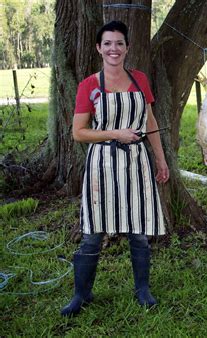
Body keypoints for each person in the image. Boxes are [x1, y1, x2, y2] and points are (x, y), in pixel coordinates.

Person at [61, 20, 169, 317]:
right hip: (103, 166)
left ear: (127, 48)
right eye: (107, 43)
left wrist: (160, 159)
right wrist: (115, 133)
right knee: (93, 231)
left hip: (136, 163)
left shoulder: (140, 80)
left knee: (138, 229)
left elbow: (150, 122)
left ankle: (142, 290)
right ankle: (81, 294)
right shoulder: (90, 85)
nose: (114, 49)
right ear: (99, 48)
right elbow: (79, 132)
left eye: (119, 43)